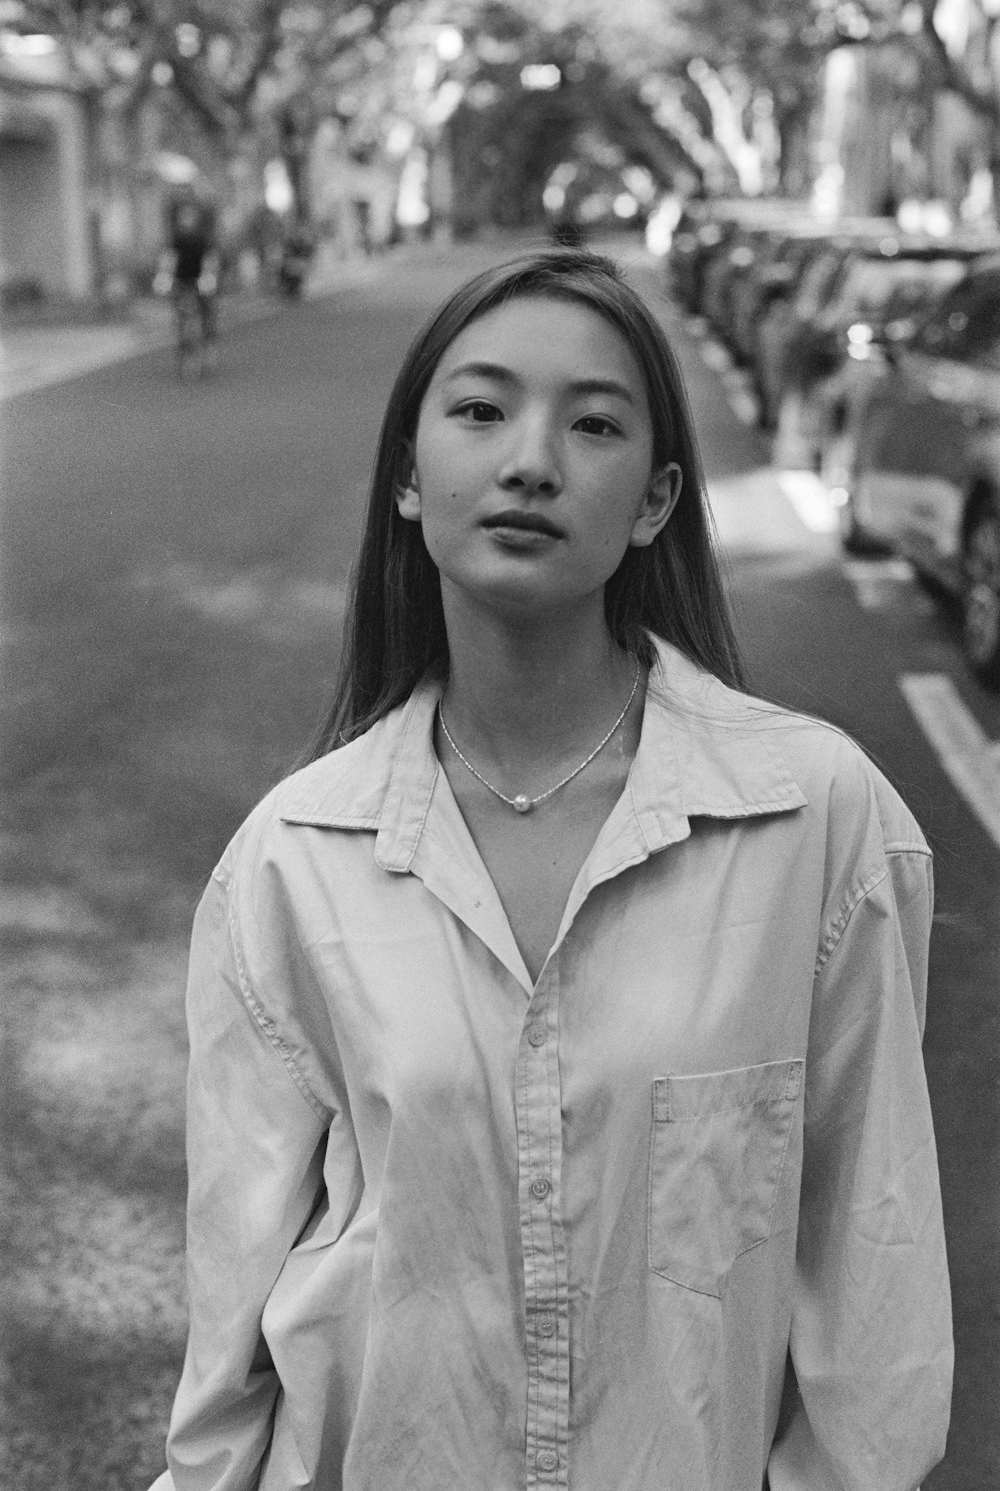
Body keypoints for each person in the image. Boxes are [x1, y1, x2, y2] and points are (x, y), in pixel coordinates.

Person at [149, 248, 952, 1491]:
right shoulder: (294, 859)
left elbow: (875, 1277)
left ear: (654, 498)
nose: (530, 459)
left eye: (592, 424)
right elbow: (235, 1314)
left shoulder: (816, 821)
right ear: (410, 479)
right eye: (479, 410)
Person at [154, 196, 221, 370]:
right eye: (184, 216)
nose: (187, 220)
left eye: (190, 216)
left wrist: (208, 277)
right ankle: (184, 350)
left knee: (207, 311)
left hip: (200, 279)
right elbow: (168, 258)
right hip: (182, 280)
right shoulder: (176, 239)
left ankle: (208, 345)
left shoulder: (203, 238)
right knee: (181, 316)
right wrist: (164, 277)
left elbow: (210, 259)